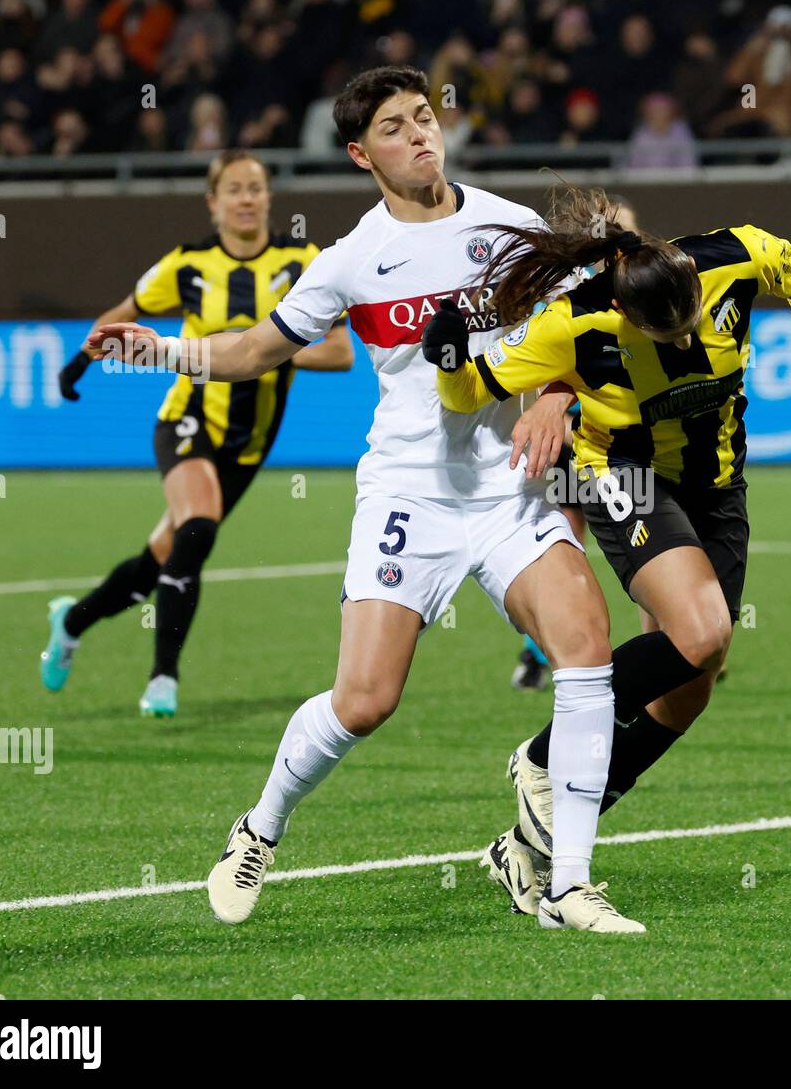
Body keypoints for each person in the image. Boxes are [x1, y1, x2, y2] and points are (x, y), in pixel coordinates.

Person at [85, 66, 656, 934]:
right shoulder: (350, 260)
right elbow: (252, 351)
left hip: (508, 490)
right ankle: (259, 828)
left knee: (586, 650)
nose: (420, 134)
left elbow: (584, 331)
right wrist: (161, 353)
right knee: (365, 701)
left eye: (426, 117)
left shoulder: (512, 226)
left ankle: (567, 883)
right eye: (395, 126)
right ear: (360, 152)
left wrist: (553, 396)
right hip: (410, 495)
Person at [427, 182, 791, 917]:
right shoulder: (570, 324)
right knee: (702, 631)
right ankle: (544, 757)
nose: (681, 340)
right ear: (623, 313)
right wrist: (449, 359)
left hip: (718, 486)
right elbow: (468, 390)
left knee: (688, 690)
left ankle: (532, 843)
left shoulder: (735, 254)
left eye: (689, 325)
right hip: (624, 476)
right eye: (659, 335)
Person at [42, 149, 353, 718]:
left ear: (269, 197)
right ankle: (163, 676)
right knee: (199, 527)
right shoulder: (186, 264)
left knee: (158, 561)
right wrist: (78, 364)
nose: (246, 198)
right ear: (213, 203)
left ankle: (72, 621)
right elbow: (122, 312)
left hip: (251, 442)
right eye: (233, 189)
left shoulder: (303, 261)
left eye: (255, 187)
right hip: (186, 419)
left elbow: (339, 353)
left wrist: (260, 351)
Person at [510, 194, 640, 692]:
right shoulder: (561, 299)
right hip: (569, 441)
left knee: (644, 543)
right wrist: (555, 403)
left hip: (626, 445)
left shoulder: (640, 293)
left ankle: (675, 648)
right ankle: (539, 653)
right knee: (564, 540)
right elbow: (535, 361)